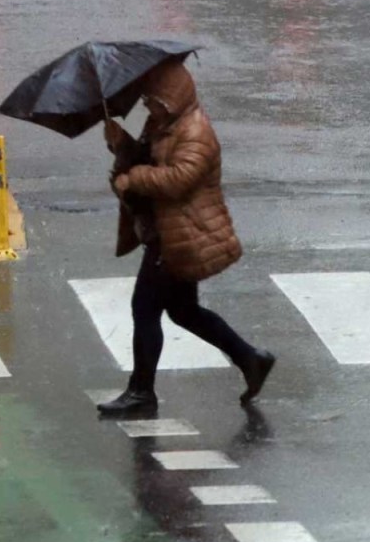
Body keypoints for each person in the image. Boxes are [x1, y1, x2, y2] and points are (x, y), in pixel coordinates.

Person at [97, 59, 275, 415]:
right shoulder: (164, 124)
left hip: (181, 234)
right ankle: (250, 358)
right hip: (167, 231)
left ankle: (141, 391)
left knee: (144, 308)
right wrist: (123, 147)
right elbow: (148, 162)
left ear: (171, 97)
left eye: (153, 99)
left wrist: (134, 180)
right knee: (183, 311)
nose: (147, 105)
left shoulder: (195, 132)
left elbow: (178, 178)